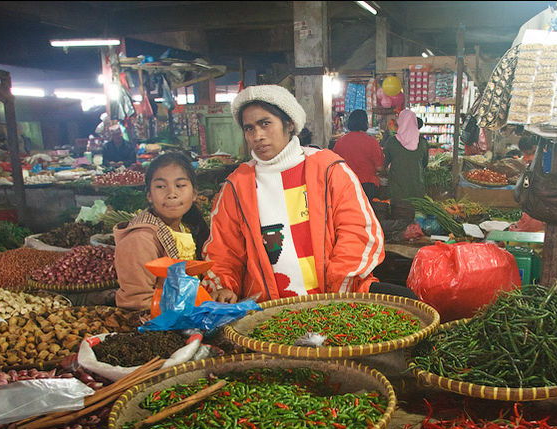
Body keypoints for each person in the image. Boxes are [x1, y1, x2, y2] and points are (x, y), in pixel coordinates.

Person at [202, 85, 386, 303]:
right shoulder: (237, 185)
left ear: (289, 123)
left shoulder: (328, 169)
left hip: (336, 303)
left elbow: (358, 232)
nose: (257, 136)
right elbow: (224, 250)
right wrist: (223, 285)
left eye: (265, 123)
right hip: (266, 313)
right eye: (249, 128)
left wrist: (334, 295)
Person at [113, 151, 210, 311]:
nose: (171, 194)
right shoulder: (140, 241)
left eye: (180, 185)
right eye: (161, 186)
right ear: (149, 195)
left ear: (194, 194)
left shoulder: (185, 228)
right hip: (163, 327)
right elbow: (137, 303)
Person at [382, 108, 428, 221]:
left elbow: (384, 163)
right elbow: (425, 164)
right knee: (416, 220)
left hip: (398, 190)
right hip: (417, 188)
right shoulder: (422, 143)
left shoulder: (392, 142)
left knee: (399, 218)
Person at [332, 109, 385, 202]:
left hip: (346, 185)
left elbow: (334, 165)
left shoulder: (340, 142)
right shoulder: (372, 142)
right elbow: (379, 167)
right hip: (368, 186)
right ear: (365, 123)